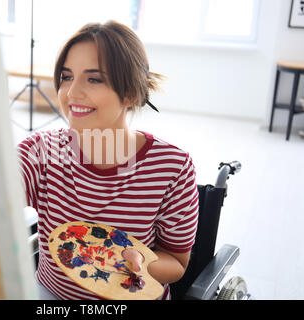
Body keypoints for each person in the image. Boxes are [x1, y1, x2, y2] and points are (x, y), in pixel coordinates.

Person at [17, 20, 199, 300]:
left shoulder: (173, 167)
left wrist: (140, 261)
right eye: (67, 77)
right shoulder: (41, 151)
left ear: (130, 94)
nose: (71, 93)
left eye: (93, 79)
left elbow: (177, 262)